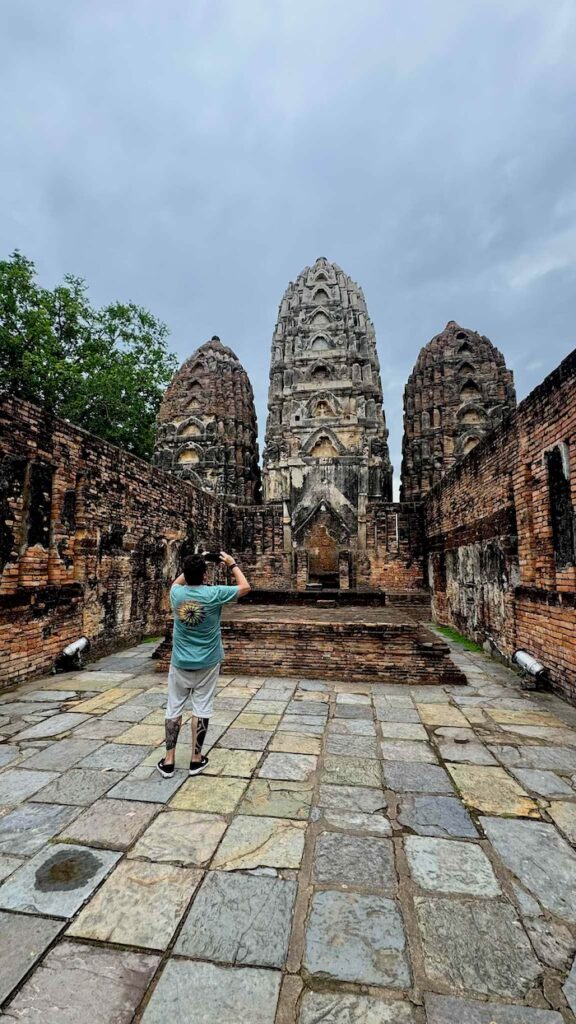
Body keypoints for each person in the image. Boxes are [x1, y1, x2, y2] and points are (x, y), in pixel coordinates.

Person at [157, 551, 251, 778]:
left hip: (180, 662)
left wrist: (196, 559)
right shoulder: (214, 593)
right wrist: (232, 564)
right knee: (201, 708)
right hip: (208, 662)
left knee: (174, 707)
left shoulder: (176, 594)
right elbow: (245, 587)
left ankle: (169, 760)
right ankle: (195, 759)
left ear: (186, 573)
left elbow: (177, 581)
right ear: (205, 574)